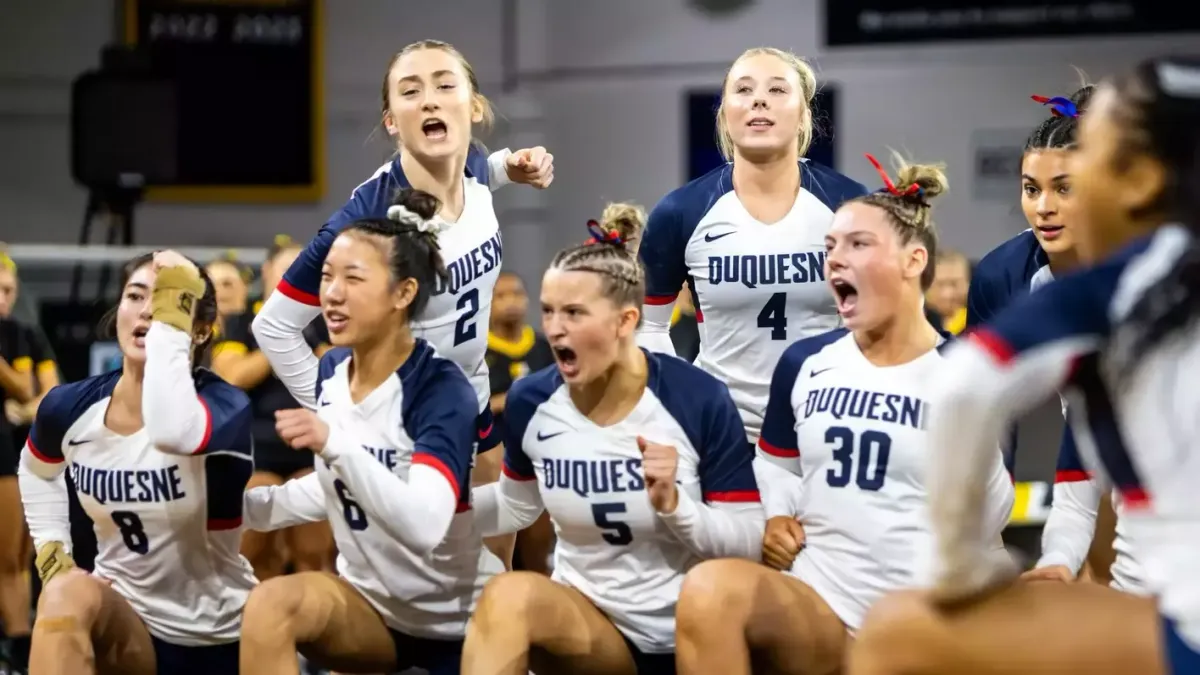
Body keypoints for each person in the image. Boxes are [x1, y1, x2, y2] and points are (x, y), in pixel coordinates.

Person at [848, 55, 1200, 675]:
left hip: (1182, 620)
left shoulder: (1117, 287)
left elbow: (963, 392)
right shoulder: (1016, 275)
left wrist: (963, 569)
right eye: (1033, 187)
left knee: (897, 633)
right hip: (1146, 568)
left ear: (1142, 181)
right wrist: (1061, 555)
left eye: (1079, 173)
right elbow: (1080, 457)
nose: (1048, 204)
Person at [672, 155, 1012, 675]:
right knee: (709, 589)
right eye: (829, 247)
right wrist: (778, 515)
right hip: (820, 604)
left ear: (914, 261)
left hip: (918, 618)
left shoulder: (962, 377)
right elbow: (777, 464)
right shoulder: (806, 363)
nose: (834, 260)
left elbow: (991, 515)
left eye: (858, 245)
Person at [253, 40, 553, 566]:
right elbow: (275, 327)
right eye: (411, 92)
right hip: (401, 421)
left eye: (444, 85)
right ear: (392, 121)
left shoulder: (476, 168)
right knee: (409, 584)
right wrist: (338, 412)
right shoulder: (366, 218)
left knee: (494, 573)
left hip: (473, 400)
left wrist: (515, 164)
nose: (430, 100)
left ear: (474, 107)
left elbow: (480, 169)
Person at [461, 218, 765, 675]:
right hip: (589, 624)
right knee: (507, 595)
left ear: (627, 320)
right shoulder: (533, 398)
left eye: (574, 313)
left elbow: (747, 543)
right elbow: (516, 504)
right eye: (548, 312)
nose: (555, 329)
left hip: (688, 629)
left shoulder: (695, 396)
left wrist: (676, 505)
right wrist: (429, 509)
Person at [238, 189, 499, 675]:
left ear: (404, 293)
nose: (331, 294)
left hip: (461, 621)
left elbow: (424, 526)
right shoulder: (333, 369)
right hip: (371, 612)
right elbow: (332, 488)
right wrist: (238, 508)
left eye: (353, 279)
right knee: (270, 605)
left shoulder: (443, 389)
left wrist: (334, 445)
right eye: (327, 278)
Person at [19, 250, 256, 675]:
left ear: (200, 332)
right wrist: (53, 549)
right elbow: (36, 469)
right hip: (128, 622)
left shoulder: (223, 405)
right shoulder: (70, 406)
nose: (147, 311)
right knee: (64, 593)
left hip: (218, 637)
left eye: (166, 301)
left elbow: (173, 431)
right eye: (135, 296)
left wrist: (171, 333)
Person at [636, 46, 868, 452]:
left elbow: (882, 323)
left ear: (804, 115)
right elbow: (650, 327)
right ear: (725, 113)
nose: (759, 98)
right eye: (743, 89)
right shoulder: (680, 212)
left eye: (778, 89)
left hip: (828, 429)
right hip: (721, 434)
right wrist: (679, 402)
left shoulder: (852, 206)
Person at [212, 236, 335, 580]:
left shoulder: (325, 320)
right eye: (288, 269)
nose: (298, 278)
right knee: (253, 551)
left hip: (310, 451)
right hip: (257, 451)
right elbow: (233, 376)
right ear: (267, 272)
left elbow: (340, 377)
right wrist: (280, 338)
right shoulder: (241, 322)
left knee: (315, 550)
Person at [485, 269, 555, 575]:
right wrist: (504, 401)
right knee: (500, 561)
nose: (510, 302)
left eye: (516, 294)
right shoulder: (478, 352)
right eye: (500, 296)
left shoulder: (544, 347)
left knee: (539, 555)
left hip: (539, 462)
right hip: (493, 468)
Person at [0, 251, 36, 673]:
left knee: (11, 558)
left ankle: (20, 653)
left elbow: (26, 389)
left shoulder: (15, 333)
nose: (4, 298)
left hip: (3, 449)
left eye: (10, 290)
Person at [923, 248, 970, 334]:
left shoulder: (981, 324)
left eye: (955, 284)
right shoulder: (911, 325)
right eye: (939, 285)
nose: (947, 294)